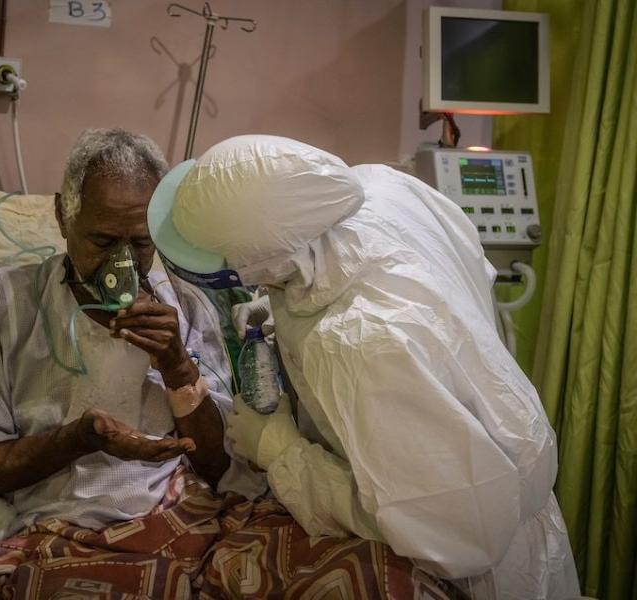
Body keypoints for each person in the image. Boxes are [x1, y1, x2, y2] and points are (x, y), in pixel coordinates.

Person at [146, 134, 581, 600]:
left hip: (476, 566)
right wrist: (281, 311)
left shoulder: (364, 343)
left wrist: (280, 450)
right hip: (509, 493)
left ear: (265, 259)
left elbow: (448, 529)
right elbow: (377, 267)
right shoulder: (382, 187)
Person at [0, 128, 261, 552]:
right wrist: (76, 441)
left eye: (140, 243)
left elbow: (221, 468)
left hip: (171, 510)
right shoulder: (2, 304)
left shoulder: (186, 307)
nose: (122, 262)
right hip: (51, 520)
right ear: (63, 216)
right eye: (103, 241)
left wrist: (179, 367)